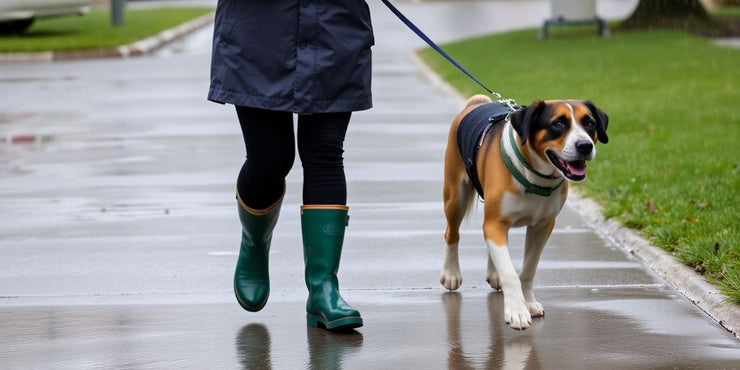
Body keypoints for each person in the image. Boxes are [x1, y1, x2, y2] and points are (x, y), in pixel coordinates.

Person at [208, 1, 374, 332]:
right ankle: (255, 240)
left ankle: (323, 290)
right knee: (270, 158)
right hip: (258, 33)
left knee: (325, 153)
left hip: (334, 26)